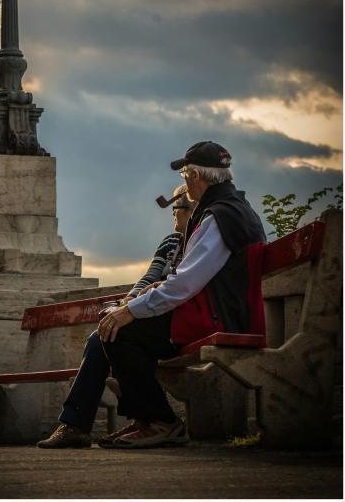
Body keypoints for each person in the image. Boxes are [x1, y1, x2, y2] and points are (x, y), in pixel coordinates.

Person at [97, 140, 266, 448]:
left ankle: (160, 421)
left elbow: (185, 283)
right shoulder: (232, 209)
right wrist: (144, 300)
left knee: (120, 331)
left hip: (219, 318)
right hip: (226, 312)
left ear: (195, 177)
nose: (185, 182)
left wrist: (130, 310)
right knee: (123, 328)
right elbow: (191, 278)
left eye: (185, 174)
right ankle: (147, 420)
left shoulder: (217, 216)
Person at [37, 185, 195, 449]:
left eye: (177, 208)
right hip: (151, 317)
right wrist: (128, 301)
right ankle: (76, 425)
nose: (173, 214)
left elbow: (180, 285)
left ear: (193, 210)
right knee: (100, 337)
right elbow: (150, 276)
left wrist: (134, 307)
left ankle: (154, 420)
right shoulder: (170, 242)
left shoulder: (200, 242)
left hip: (173, 323)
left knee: (113, 334)